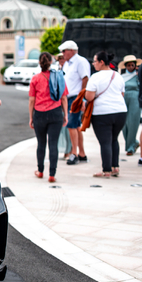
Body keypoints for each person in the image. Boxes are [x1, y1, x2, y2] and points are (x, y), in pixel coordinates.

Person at [85, 51, 127, 177]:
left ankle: (106, 170)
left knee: (105, 142)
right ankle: (115, 167)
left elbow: (89, 97)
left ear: (101, 62)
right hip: (120, 112)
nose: (93, 64)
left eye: (95, 61)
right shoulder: (118, 75)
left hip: (102, 113)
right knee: (114, 139)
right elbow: (122, 94)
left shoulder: (95, 77)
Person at [29, 52, 69, 183]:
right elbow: (63, 98)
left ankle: (40, 171)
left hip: (39, 114)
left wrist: (31, 117)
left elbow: (31, 100)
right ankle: (52, 174)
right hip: (55, 113)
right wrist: (65, 115)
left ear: (39, 63)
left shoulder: (35, 79)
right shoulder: (58, 77)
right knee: (53, 144)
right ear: (51, 62)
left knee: (41, 143)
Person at [59, 40, 91, 165]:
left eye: (64, 51)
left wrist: (82, 99)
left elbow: (85, 79)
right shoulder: (67, 64)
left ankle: (74, 153)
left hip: (76, 98)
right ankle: (82, 153)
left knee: (71, 125)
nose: (63, 54)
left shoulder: (80, 61)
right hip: (68, 98)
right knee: (76, 126)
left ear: (71, 50)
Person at [120, 55, 141, 155]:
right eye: (128, 65)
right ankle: (133, 142)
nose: (130, 67)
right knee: (124, 124)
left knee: (133, 122)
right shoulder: (121, 77)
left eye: (132, 65)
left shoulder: (138, 77)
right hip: (123, 99)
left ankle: (130, 147)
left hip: (135, 99)